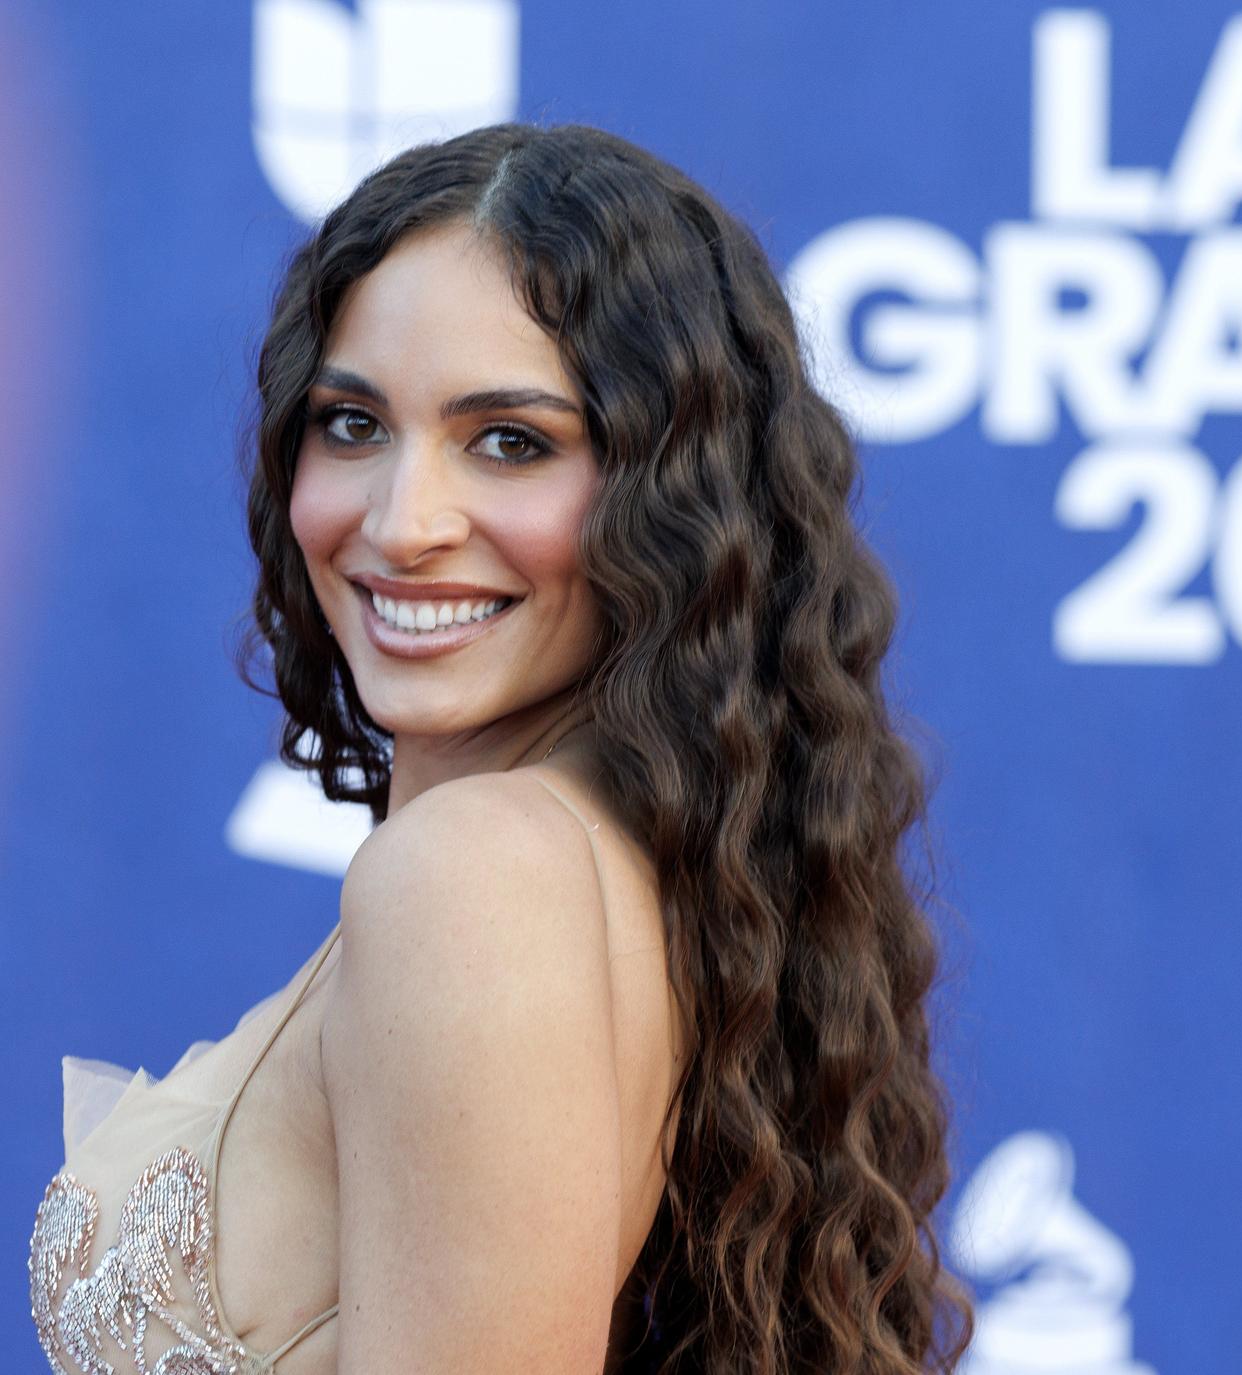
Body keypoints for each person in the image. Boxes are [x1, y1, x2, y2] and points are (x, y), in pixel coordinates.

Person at [28, 122, 972, 1375]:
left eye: (511, 441)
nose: (402, 522)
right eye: (352, 425)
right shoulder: (602, 861)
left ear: (668, 501)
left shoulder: (472, 878)